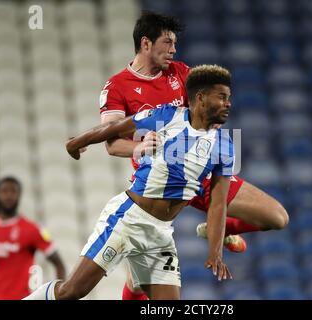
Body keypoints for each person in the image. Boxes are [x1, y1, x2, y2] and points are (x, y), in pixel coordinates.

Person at [97, 11, 289, 300]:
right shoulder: (117, 86)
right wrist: (138, 146)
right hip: (158, 186)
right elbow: (112, 144)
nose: (174, 50)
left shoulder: (181, 73)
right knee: (138, 282)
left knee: (276, 217)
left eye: (175, 43)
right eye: (168, 42)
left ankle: (218, 228)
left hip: (202, 172)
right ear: (146, 44)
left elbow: (207, 113)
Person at [23, 64, 234, 300]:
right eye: (222, 97)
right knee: (71, 292)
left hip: (160, 233)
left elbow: (217, 203)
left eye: (229, 98)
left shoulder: (225, 146)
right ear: (201, 98)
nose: (228, 104)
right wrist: (76, 142)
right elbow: (116, 126)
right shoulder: (167, 116)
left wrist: (215, 252)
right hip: (128, 219)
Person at [0, 176, 66, 300]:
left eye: (13, 191)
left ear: (19, 195)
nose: (9, 195)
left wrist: (60, 295)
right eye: (4, 191)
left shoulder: (31, 229)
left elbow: (59, 264)